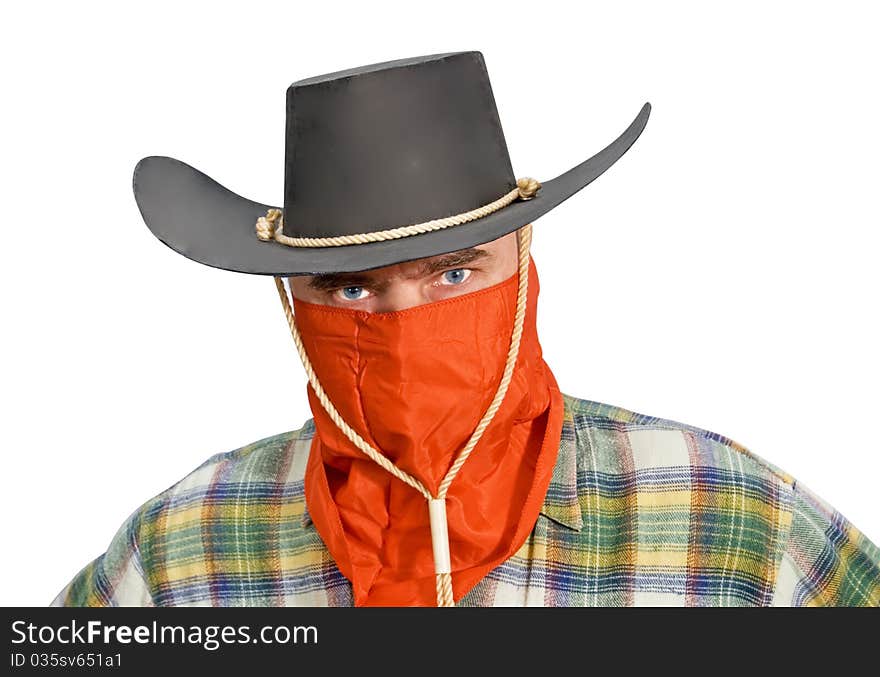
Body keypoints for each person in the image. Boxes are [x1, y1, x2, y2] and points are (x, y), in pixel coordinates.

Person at [51, 51, 880, 607]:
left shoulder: (725, 514)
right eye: (349, 287)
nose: (406, 327)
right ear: (290, 302)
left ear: (523, 264)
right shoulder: (185, 549)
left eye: (454, 273)